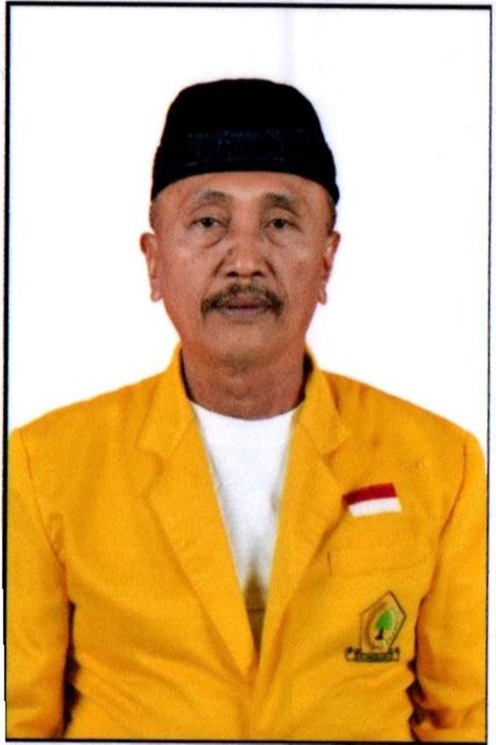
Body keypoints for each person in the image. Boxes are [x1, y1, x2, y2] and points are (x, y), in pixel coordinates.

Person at [7, 78, 486, 742]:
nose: (245, 261)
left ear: (327, 260)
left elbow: (464, 719)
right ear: (154, 262)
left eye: (280, 223)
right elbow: (17, 723)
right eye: (209, 222)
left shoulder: (441, 462)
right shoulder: (46, 466)